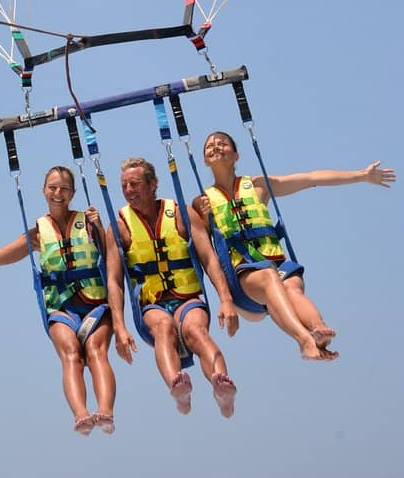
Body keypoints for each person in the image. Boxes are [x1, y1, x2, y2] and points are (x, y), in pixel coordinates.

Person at [197, 132, 396, 361]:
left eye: (222, 143)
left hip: (277, 263)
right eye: (210, 146)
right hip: (243, 280)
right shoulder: (203, 201)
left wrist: (361, 175)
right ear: (204, 160)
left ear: (236, 155)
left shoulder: (259, 186)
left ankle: (319, 330)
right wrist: (225, 300)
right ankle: (304, 341)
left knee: (292, 286)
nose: (216, 147)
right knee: (270, 277)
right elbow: (204, 248)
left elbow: (311, 179)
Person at [0, 166, 134, 435]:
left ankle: (106, 411)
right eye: (53, 188)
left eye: (64, 188)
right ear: (44, 191)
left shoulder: (89, 222)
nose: (58, 193)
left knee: (96, 352)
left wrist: (100, 226)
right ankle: (81, 414)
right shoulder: (37, 234)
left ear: (73, 192)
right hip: (61, 308)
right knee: (71, 355)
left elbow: (114, 257)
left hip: (95, 304)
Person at [104, 157, 238, 418]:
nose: (129, 190)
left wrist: (226, 299)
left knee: (195, 331)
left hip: (188, 297)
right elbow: (114, 281)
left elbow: (209, 259)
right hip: (151, 305)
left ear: (153, 184)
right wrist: (119, 327)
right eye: (124, 185)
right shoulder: (119, 225)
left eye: (135, 183)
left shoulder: (180, 213)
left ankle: (221, 385)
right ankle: (179, 389)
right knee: (164, 328)